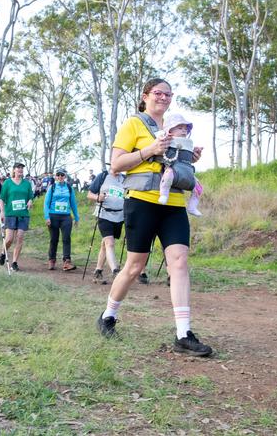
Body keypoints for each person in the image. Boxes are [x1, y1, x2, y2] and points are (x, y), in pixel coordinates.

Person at [95, 77, 212, 357]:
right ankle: (108, 316)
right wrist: (150, 150)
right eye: (158, 93)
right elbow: (116, 165)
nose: (163, 98)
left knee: (179, 262)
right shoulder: (134, 124)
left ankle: (183, 333)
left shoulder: (176, 124)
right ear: (145, 96)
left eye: (168, 94)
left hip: (173, 203)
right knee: (135, 266)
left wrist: (189, 157)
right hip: (141, 201)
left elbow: (176, 163)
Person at [156, 113, 203, 216]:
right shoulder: (168, 141)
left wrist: (196, 152)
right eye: (180, 128)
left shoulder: (188, 143)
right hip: (173, 169)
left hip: (187, 170)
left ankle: (192, 206)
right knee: (167, 176)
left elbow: (188, 158)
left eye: (186, 128)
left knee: (198, 187)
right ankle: (164, 195)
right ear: (170, 131)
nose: (184, 130)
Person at [87, 168, 125, 285]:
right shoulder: (102, 176)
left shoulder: (124, 178)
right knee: (110, 242)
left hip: (119, 216)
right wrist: (98, 197)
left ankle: (98, 270)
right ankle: (115, 270)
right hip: (104, 214)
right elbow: (90, 194)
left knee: (105, 244)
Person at [0, 162, 34, 271]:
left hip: (23, 214)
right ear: (14, 170)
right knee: (9, 239)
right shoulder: (7, 183)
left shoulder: (27, 183)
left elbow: (30, 197)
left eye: (22, 168)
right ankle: (3, 253)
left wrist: (30, 201)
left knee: (20, 237)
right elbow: (1, 199)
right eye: (18, 168)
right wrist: (2, 212)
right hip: (10, 214)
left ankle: (14, 263)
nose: (20, 170)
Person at [43, 168, 79, 271]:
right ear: (55, 176)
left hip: (66, 217)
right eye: (58, 175)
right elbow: (46, 203)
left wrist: (76, 217)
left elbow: (73, 203)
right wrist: (47, 217)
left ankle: (66, 262)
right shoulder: (52, 187)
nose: (60, 177)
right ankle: (51, 260)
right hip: (53, 216)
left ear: (65, 176)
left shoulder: (69, 187)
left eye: (62, 175)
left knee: (66, 238)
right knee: (54, 239)